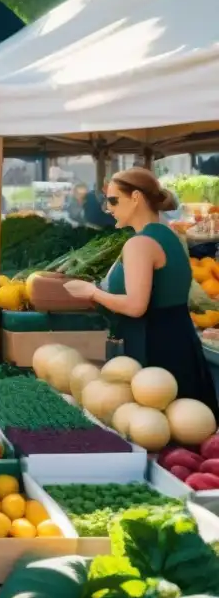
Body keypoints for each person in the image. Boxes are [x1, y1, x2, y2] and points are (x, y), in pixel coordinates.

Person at [64, 168, 219, 419]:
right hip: (181, 342)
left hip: (153, 347)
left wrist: (92, 292)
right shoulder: (169, 234)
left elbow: (136, 306)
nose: (108, 208)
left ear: (135, 197)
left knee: (158, 428)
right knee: (190, 424)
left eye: (113, 200)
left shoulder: (139, 244)